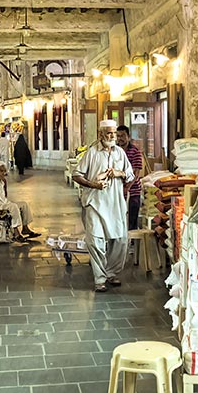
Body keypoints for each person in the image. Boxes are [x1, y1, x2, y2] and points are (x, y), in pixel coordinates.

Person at [72, 119, 134, 292]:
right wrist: (94, 184)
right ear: (101, 134)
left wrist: (118, 173)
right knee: (95, 240)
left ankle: (112, 273)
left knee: (120, 240)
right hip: (95, 203)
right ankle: (99, 279)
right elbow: (76, 174)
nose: (113, 136)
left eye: (114, 133)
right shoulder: (92, 153)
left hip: (115, 204)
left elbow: (130, 175)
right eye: (109, 133)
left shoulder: (120, 153)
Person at [0, 161, 40, 242]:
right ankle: (16, 233)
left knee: (23, 205)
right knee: (13, 207)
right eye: (1, 171)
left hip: (4, 203)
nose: (3, 173)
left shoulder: (2, 181)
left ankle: (25, 228)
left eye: (4, 171)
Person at [116, 125, 143, 230]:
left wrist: (127, 187)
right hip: (118, 190)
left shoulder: (135, 151)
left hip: (133, 190)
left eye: (123, 136)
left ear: (128, 136)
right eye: (118, 136)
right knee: (118, 217)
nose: (120, 138)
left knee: (132, 217)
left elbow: (136, 173)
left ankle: (132, 242)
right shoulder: (114, 151)